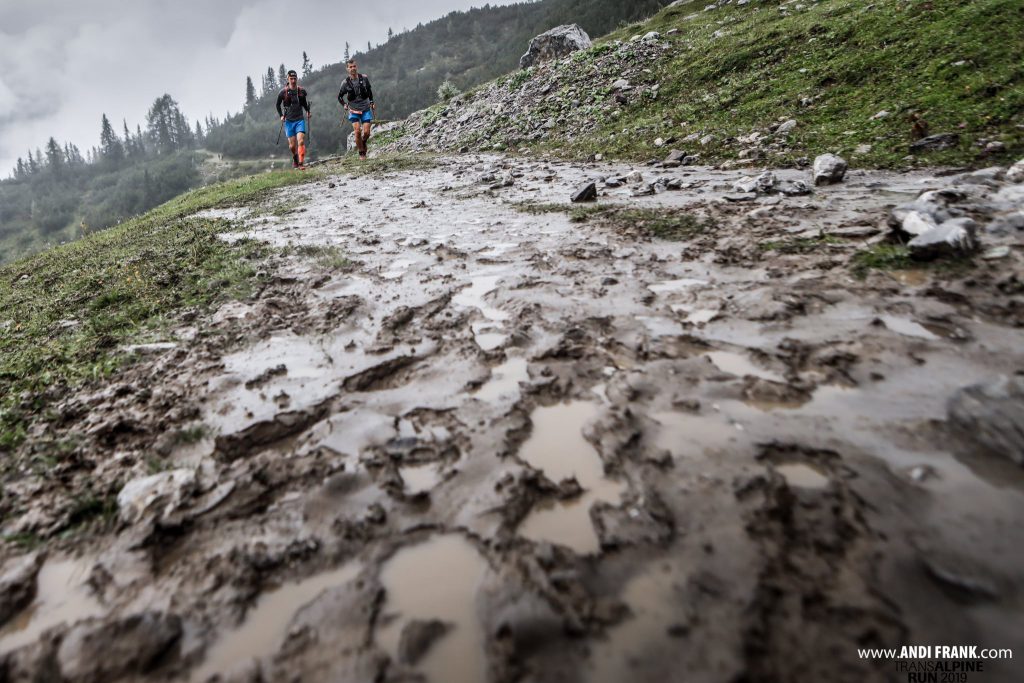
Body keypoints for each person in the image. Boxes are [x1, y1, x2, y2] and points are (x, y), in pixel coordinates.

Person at [338, 59, 375, 160]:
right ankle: (361, 152)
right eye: (350, 67)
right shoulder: (345, 83)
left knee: (367, 133)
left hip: (365, 109)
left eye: (354, 66)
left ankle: (363, 142)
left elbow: (369, 91)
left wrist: (372, 102)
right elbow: (340, 97)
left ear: (356, 67)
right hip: (353, 110)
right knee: (357, 131)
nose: (353, 68)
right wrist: (344, 105)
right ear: (347, 69)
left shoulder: (364, 78)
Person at [276, 70, 311, 168]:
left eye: (295, 78)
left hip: (299, 119)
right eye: (291, 79)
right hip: (289, 121)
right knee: (292, 146)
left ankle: (300, 163)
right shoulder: (283, 92)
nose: (293, 80)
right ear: (288, 79)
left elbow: (304, 103)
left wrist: (308, 111)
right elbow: (277, 105)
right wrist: (281, 116)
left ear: (297, 79)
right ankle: (295, 157)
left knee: (300, 141)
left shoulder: (301, 91)